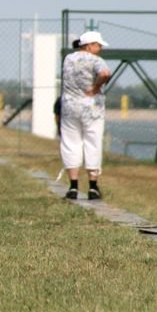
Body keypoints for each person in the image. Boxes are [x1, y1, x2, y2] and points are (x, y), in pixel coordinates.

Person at [60, 31, 111, 201]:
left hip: (69, 107)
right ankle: (93, 187)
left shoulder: (68, 59)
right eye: (98, 45)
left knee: (70, 143)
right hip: (92, 109)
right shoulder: (96, 60)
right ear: (89, 46)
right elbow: (104, 73)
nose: (100, 49)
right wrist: (96, 88)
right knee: (92, 143)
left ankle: (73, 186)